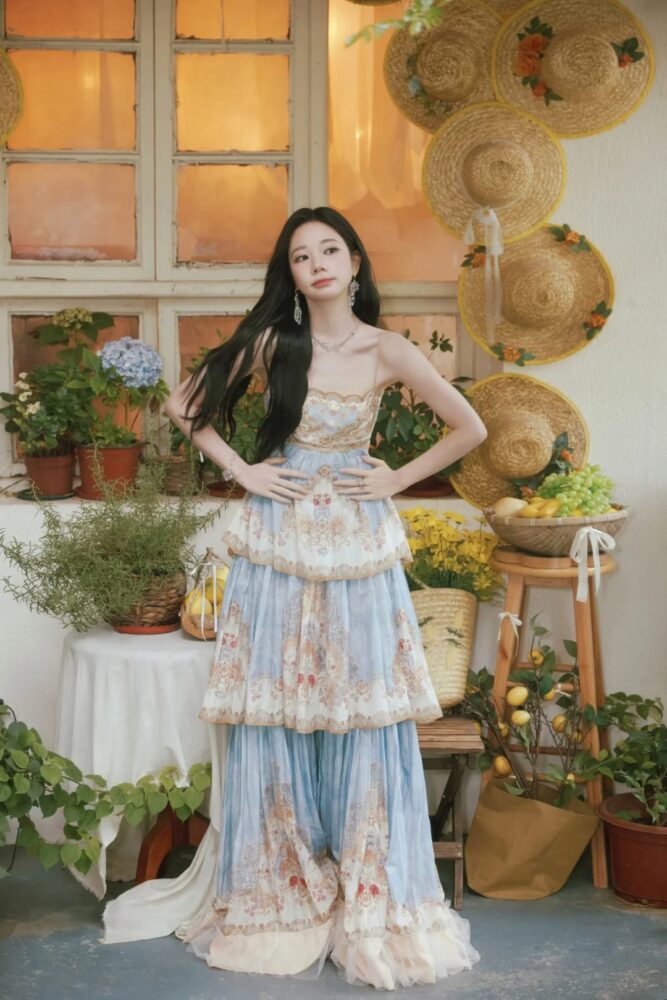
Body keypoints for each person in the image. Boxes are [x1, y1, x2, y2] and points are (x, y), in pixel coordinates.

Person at [152, 207, 485, 988]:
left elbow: (467, 427)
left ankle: (367, 889)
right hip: (280, 534)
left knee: (359, 703)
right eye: (301, 257)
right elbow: (183, 405)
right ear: (292, 276)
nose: (318, 264)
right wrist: (245, 471)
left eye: (330, 249)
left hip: (357, 539)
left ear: (354, 262)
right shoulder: (275, 342)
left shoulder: (387, 349)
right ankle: (285, 882)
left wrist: (395, 479)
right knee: (279, 703)